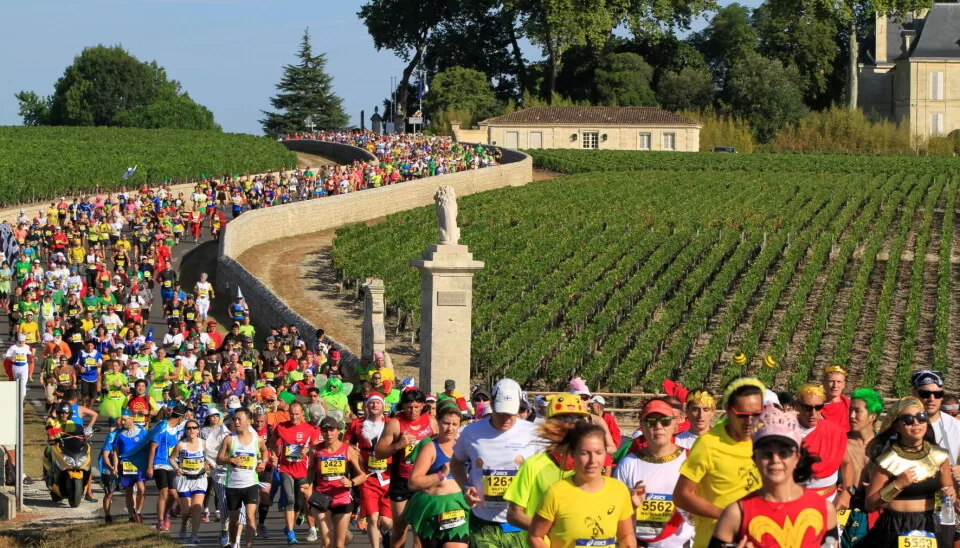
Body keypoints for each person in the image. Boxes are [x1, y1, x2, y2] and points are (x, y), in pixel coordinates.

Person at [711, 404, 839, 548]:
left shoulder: (824, 509)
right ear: (754, 459)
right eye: (766, 454)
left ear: (797, 457)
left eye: (784, 453)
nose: (775, 460)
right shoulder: (737, 513)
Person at [674, 378, 763, 548]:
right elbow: (681, 495)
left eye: (756, 414)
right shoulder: (708, 444)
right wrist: (726, 516)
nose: (750, 421)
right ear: (728, 411)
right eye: (742, 415)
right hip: (713, 540)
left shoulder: (765, 441)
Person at [452, 378, 542, 548]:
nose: (506, 418)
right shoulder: (471, 432)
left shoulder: (533, 433)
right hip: (483, 523)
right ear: (491, 404)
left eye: (511, 413)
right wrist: (465, 487)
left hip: (521, 522)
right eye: (501, 413)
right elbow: (456, 463)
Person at [859, 397, 955, 547]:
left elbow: (948, 490)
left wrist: (950, 494)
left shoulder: (940, 456)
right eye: (908, 419)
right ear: (896, 426)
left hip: (929, 525)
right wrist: (898, 484)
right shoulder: (886, 460)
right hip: (894, 526)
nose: (916, 423)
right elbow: (870, 504)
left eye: (921, 417)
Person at [528, 422, 636, 548]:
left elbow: (626, 535)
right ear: (573, 454)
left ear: (606, 454)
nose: (592, 461)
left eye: (598, 452)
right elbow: (535, 536)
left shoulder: (619, 490)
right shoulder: (556, 493)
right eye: (585, 453)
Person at [615, 399, 693, 548]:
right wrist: (629, 505)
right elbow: (614, 514)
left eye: (665, 421)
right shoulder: (627, 464)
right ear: (642, 426)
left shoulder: (690, 461)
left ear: (675, 425)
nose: (658, 427)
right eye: (651, 421)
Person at [504, 393, 588, 530]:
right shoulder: (533, 466)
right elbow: (514, 514)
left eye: (579, 420)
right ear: (550, 424)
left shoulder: (588, 466)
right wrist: (548, 531)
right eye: (566, 418)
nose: (573, 425)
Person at [375, 388, 438, 548]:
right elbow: (379, 452)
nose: (412, 411)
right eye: (409, 407)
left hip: (424, 480)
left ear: (423, 405)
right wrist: (399, 445)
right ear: (403, 405)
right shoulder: (395, 423)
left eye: (417, 407)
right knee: (400, 528)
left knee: (420, 529)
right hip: (402, 481)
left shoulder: (431, 422)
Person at [344, 393, 393, 548]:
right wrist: (353, 449)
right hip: (367, 476)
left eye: (378, 403)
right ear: (367, 406)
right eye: (372, 403)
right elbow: (345, 444)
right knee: (372, 518)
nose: (375, 405)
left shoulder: (391, 423)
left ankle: (386, 533)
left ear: (383, 406)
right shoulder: (356, 425)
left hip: (388, 476)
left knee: (387, 521)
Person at [217, 408, 269, 548]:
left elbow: (265, 451)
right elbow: (219, 458)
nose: (236, 422)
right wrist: (230, 460)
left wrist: (262, 463)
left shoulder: (257, 439)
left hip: (250, 483)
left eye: (240, 419)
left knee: (250, 516)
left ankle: (248, 546)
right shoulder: (229, 438)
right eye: (234, 419)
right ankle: (234, 543)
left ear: (248, 421)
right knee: (234, 519)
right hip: (233, 484)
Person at [313, 416, 367, 548]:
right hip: (321, 497)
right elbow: (309, 474)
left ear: (339, 431)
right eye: (325, 430)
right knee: (326, 541)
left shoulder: (347, 450)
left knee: (338, 544)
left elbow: (363, 475)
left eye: (332, 430)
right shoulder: (315, 450)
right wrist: (307, 490)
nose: (329, 434)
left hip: (341, 498)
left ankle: (343, 533)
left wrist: (351, 482)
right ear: (321, 432)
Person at [837, 388, 882, 546]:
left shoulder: (885, 447)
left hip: (874, 513)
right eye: (850, 411)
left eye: (857, 411)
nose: (851, 416)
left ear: (872, 416)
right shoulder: (839, 442)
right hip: (841, 511)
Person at [274, 401, 319, 545]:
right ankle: (291, 533)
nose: (294, 417)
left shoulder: (310, 429)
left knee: (300, 503)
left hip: (302, 469)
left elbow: (317, 444)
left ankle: (291, 525)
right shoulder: (281, 427)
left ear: (302, 414)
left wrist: (309, 449)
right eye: (292, 414)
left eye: (297, 414)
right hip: (285, 468)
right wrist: (273, 455)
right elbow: (272, 440)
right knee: (290, 499)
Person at [794, 383, 846, 501]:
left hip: (828, 499)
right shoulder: (784, 431)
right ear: (797, 406)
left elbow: (847, 463)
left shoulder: (834, 431)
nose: (813, 413)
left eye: (818, 407)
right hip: (793, 499)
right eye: (807, 408)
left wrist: (847, 492)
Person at [147, 404, 186, 531]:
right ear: (180, 418)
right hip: (159, 463)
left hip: (172, 465)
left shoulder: (179, 429)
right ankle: (160, 521)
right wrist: (150, 466)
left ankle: (165, 514)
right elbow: (152, 448)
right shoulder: (162, 427)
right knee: (164, 492)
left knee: (174, 495)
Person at [170, 419, 208, 543]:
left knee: (197, 507)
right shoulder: (181, 444)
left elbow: (211, 459)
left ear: (198, 430)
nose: (191, 430)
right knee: (186, 511)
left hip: (199, 479)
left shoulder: (204, 444)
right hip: (184, 479)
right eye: (189, 428)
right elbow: (171, 458)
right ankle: (184, 523)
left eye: (194, 427)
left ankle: (194, 534)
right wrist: (176, 468)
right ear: (186, 430)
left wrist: (208, 465)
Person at [912, 369, 960, 463]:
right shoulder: (900, 425)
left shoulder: (957, 426)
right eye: (925, 394)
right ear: (914, 394)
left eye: (937, 394)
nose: (931, 399)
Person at [112, 409, 147, 523]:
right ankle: (132, 515)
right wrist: (115, 466)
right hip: (125, 465)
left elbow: (149, 448)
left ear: (132, 419)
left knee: (141, 489)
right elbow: (116, 452)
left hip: (139, 466)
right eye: (121, 420)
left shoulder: (142, 432)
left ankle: (138, 511)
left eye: (124, 420)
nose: (122, 422)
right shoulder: (119, 434)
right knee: (128, 491)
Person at [821, 365, 850, 432]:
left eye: (839, 382)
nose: (835, 386)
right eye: (831, 381)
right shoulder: (815, 407)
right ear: (824, 383)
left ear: (843, 384)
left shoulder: (850, 406)